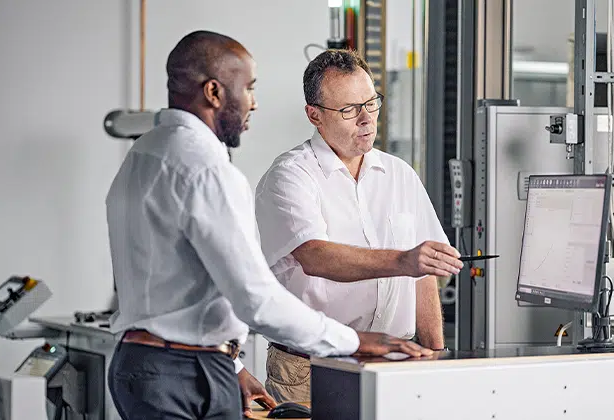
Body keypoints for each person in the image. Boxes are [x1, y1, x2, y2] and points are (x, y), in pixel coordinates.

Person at [105, 31, 431, 420]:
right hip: (184, 371)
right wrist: (353, 341)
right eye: (249, 88)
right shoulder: (207, 171)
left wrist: (233, 366)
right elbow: (255, 298)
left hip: (153, 365)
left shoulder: (144, 153)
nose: (254, 104)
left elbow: (184, 281)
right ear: (213, 92)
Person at [255, 49, 462, 403]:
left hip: (396, 361)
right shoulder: (290, 175)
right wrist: (404, 261)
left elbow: (425, 275)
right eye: (349, 110)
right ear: (314, 115)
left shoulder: (399, 174)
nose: (366, 119)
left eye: (371, 103)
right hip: (312, 369)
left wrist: (437, 356)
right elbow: (315, 256)